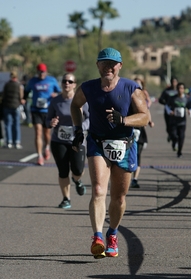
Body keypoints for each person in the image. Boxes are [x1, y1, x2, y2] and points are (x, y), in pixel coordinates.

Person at [70, 47, 149, 259]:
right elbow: (75, 105)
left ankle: (112, 234)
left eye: (112, 64)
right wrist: (78, 130)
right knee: (98, 190)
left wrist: (123, 120)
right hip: (97, 143)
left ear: (120, 66)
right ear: (98, 65)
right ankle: (97, 238)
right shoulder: (88, 88)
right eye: (104, 63)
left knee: (119, 198)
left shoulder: (131, 88)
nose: (108, 67)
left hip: (125, 145)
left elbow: (143, 116)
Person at [46, 73, 89, 209]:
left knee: (77, 169)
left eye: (70, 81)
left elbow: (90, 118)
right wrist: (51, 122)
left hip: (77, 140)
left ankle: (77, 181)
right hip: (59, 140)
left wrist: (82, 127)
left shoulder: (81, 100)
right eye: (64, 81)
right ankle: (66, 198)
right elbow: (47, 119)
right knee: (63, 171)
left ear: (75, 85)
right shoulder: (55, 101)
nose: (67, 84)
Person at [23, 63, 61, 165]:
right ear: (37, 72)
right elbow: (26, 91)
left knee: (46, 133)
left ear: (46, 71)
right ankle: (39, 156)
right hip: (36, 110)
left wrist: (55, 95)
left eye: (43, 72)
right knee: (38, 132)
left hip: (48, 111)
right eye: (40, 72)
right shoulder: (32, 81)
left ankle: (47, 147)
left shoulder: (52, 80)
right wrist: (23, 99)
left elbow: (60, 92)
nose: (41, 74)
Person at [130, 77, 154, 188]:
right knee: (128, 154)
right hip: (128, 129)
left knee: (138, 154)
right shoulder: (127, 95)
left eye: (138, 84)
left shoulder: (143, 96)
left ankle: (135, 179)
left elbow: (147, 110)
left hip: (139, 130)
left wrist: (149, 121)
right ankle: (125, 178)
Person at [167, 82, 191, 158]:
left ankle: (179, 152)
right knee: (174, 135)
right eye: (179, 88)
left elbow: (190, 107)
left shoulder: (186, 99)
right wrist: (170, 111)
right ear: (177, 89)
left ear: (184, 89)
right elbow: (167, 106)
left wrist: (189, 111)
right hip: (173, 121)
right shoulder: (173, 98)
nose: (180, 90)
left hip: (182, 122)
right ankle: (174, 142)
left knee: (181, 137)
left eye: (182, 88)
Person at [1, 71, 24, 149]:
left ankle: (9, 142)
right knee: (16, 124)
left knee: (8, 125)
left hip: (7, 106)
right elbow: (21, 97)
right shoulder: (18, 85)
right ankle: (17, 142)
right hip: (16, 107)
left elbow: (3, 95)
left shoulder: (7, 85)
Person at [159, 77, 178, 142]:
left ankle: (175, 140)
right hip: (168, 111)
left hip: (177, 111)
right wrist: (166, 103)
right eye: (173, 82)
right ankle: (170, 135)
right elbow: (160, 100)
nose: (174, 83)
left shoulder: (179, 90)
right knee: (168, 126)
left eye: (175, 82)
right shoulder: (166, 91)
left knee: (176, 126)